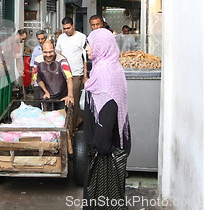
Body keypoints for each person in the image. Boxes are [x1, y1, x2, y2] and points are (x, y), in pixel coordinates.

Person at [82, 28, 131, 209]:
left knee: (101, 199)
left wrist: (100, 147)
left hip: (103, 151)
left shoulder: (104, 73)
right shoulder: (111, 66)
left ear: (101, 46)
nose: (87, 48)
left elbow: (108, 112)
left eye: (89, 44)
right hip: (106, 146)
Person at [56, 17, 87, 132]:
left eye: (68, 28)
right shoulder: (61, 38)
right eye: (64, 29)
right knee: (62, 101)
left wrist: (85, 77)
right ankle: (64, 126)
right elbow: (58, 55)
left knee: (72, 102)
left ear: (73, 25)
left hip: (76, 74)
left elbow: (85, 58)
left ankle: (71, 130)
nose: (66, 31)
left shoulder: (81, 37)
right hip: (63, 75)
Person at [32, 40, 74, 110]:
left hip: (62, 96)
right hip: (47, 96)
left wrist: (70, 95)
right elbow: (37, 78)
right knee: (48, 118)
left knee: (62, 118)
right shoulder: (37, 60)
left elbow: (69, 78)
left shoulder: (62, 60)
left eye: (51, 51)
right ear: (42, 51)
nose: (48, 55)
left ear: (55, 50)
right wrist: (46, 91)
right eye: (45, 52)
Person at [30, 30, 47, 99]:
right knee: (37, 101)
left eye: (42, 38)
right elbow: (33, 66)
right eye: (39, 39)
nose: (40, 41)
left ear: (45, 38)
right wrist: (32, 79)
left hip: (48, 81)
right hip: (37, 81)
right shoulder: (36, 50)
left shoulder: (52, 49)